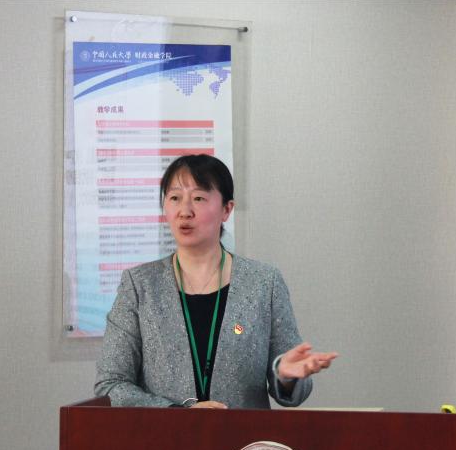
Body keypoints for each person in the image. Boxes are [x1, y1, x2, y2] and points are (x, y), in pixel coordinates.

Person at [95, 154, 338, 409]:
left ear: (226, 209)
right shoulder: (139, 285)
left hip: (243, 434)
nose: (184, 211)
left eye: (199, 198)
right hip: (166, 434)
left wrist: (285, 376)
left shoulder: (264, 283)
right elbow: (111, 384)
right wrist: (178, 414)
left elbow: (296, 385)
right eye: (175, 198)